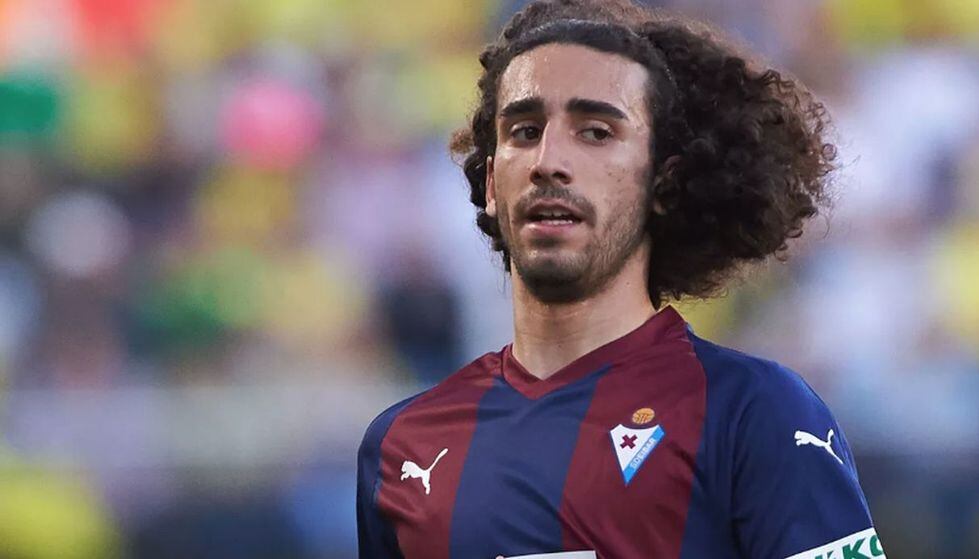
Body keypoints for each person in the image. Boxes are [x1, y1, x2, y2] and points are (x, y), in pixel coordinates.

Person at [357, 1, 884, 557]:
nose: (547, 161)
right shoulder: (401, 448)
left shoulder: (756, 412)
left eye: (595, 132)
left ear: (662, 182)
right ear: (490, 184)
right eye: (525, 131)